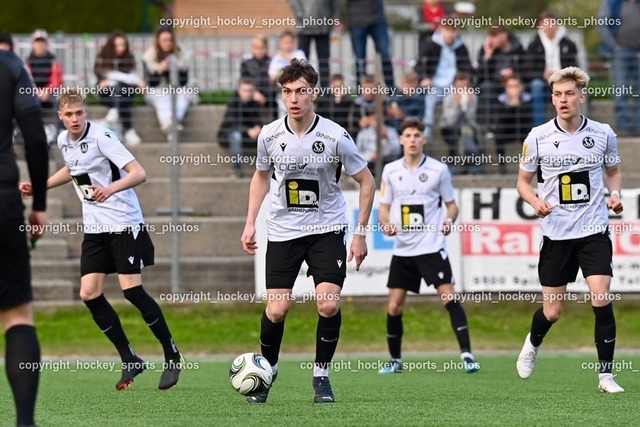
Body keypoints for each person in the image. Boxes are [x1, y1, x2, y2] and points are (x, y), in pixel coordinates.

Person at [20, 89, 185, 391]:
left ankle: (172, 354)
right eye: (68, 114)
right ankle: (130, 358)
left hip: (124, 223)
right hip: (95, 228)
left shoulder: (102, 137)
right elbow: (73, 169)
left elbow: (139, 173)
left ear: (86, 113)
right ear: (60, 116)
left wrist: (111, 189)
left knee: (132, 292)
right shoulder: (62, 140)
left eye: (79, 113)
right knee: (89, 293)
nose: (74, 119)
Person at [240, 59, 375, 403]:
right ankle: (266, 372)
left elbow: (367, 181)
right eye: (287, 92)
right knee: (277, 310)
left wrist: (359, 232)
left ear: (313, 93)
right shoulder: (269, 135)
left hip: (326, 229)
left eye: (301, 91)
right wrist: (250, 221)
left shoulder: (335, 136)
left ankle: (321, 376)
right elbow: (260, 176)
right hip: (283, 230)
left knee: (328, 304)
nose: (294, 98)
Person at [516, 66, 624, 393]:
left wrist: (615, 195)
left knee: (601, 298)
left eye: (569, 94)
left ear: (582, 96)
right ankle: (533, 344)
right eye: (558, 95)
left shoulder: (604, 133)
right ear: (552, 98)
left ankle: (606, 376)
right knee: (552, 311)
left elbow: (613, 172)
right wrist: (535, 201)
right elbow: (523, 183)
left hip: (593, 230)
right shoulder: (537, 137)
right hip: (556, 234)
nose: (563, 100)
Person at [377, 117, 479, 375]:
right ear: (401, 139)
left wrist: (448, 220)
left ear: (424, 139)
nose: (412, 140)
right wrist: (386, 224)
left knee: (449, 298)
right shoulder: (390, 170)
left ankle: (467, 355)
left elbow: (452, 205)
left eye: (416, 135)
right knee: (394, 306)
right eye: (407, 135)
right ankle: (395, 360)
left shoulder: (439, 170)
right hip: (403, 249)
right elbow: (384, 209)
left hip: (431, 246)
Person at [1, 44, 48, 427]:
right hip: (2, 202)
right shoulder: (12, 65)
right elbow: (35, 138)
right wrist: (40, 205)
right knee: (17, 316)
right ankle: (24, 424)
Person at [415, 21, 473, 138]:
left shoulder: (461, 47)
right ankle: (427, 128)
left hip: (453, 86)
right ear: (442, 30)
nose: (451, 34)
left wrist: (463, 83)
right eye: (448, 30)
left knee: (466, 100)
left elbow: (467, 68)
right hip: (434, 85)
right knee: (429, 100)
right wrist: (424, 78)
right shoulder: (431, 45)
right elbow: (420, 65)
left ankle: (460, 128)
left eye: (453, 31)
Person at [524, 10, 578, 126]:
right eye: (546, 23)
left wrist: (561, 74)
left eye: (552, 23)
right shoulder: (534, 44)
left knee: (572, 88)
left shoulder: (569, 44)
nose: (549, 26)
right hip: (543, 81)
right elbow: (527, 69)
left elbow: (574, 66)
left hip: (563, 80)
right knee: (536, 86)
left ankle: (569, 126)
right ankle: (539, 128)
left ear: (558, 24)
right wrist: (542, 74)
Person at [94, 30, 144, 146]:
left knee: (122, 88)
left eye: (123, 45)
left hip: (124, 94)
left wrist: (112, 81)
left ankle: (114, 112)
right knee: (121, 88)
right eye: (117, 45)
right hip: (107, 95)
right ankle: (129, 130)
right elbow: (108, 75)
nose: (120, 48)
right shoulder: (103, 58)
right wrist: (134, 80)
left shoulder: (128, 59)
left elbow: (124, 77)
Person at [142, 26, 195, 136]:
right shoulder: (149, 57)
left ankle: (170, 123)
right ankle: (171, 125)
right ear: (158, 41)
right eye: (164, 40)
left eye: (170, 40)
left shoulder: (182, 54)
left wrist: (175, 69)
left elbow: (183, 82)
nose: (168, 43)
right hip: (158, 91)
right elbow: (152, 84)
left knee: (184, 95)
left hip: (177, 90)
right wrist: (160, 69)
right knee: (161, 97)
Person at [598, 0, 640, 135]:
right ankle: (623, 127)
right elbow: (602, 24)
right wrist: (614, 46)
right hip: (620, 52)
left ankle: (638, 126)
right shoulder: (612, 3)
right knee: (620, 90)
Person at [476, 25, 525, 131]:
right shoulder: (486, 49)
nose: (491, 39)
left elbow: (524, 71)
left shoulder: (518, 49)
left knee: (516, 89)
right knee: (486, 87)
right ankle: (489, 129)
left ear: (504, 35)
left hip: (513, 84)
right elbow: (480, 76)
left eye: (494, 36)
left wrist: (512, 74)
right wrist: (488, 56)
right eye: (490, 36)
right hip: (495, 85)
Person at [24, 29, 64, 145]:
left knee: (59, 99)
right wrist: (35, 90)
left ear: (47, 44)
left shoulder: (53, 61)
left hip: (50, 94)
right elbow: (26, 79)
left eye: (42, 42)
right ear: (33, 44)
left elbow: (57, 80)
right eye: (37, 42)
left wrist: (47, 90)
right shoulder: (27, 62)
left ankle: (61, 130)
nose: (40, 45)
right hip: (33, 93)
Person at [217, 79, 263, 178]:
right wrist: (247, 130)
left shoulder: (254, 104)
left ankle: (267, 171)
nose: (247, 93)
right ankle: (237, 171)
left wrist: (258, 128)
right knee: (236, 136)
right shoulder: (233, 103)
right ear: (239, 90)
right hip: (229, 135)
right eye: (244, 90)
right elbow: (231, 123)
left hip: (248, 136)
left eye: (250, 90)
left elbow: (257, 121)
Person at [346, 0, 395, 88]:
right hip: (357, 20)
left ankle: (391, 89)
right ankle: (360, 92)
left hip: (377, 19)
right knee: (360, 58)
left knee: (385, 55)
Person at [439, 73, 480, 174]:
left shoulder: (473, 98)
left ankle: (470, 164)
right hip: (450, 127)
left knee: (470, 132)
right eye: (459, 87)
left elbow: (472, 118)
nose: (462, 89)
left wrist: (469, 104)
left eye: (465, 87)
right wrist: (457, 105)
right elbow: (450, 121)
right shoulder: (449, 98)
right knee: (456, 134)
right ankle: (456, 165)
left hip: (467, 126)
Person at [289, 0, 336, 87]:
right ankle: (301, 88)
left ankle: (325, 94)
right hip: (304, 26)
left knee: (324, 61)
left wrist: (332, 17)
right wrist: (302, 15)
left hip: (323, 25)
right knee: (301, 62)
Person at [494, 75, 532, 174]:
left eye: (516, 86)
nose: (513, 89)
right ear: (506, 88)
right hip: (507, 130)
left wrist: (518, 103)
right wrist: (511, 106)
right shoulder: (500, 99)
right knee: (498, 133)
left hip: (523, 129)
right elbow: (501, 120)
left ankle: (529, 166)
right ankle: (501, 167)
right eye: (510, 87)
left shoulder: (527, 99)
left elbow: (527, 119)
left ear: (521, 87)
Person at [269, 30, 307, 118]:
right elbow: (272, 76)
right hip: (282, 90)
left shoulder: (299, 53)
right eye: (285, 42)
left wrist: (285, 55)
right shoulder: (277, 57)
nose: (288, 45)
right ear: (280, 43)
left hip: (298, 89)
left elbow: (304, 66)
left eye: (290, 42)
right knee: (283, 112)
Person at [241, 35, 276, 121]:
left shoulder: (272, 62)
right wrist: (254, 93)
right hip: (253, 95)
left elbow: (273, 82)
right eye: (256, 48)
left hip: (270, 96)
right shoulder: (246, 64)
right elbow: (244, 81)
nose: (259, 51)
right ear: (252, 48)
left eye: (262, 48)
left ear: (266, 48)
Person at [356, 109, 401, 174]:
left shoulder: (391, 131)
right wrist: (370, 156)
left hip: (388, 162)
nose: (376, 120)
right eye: (373, 118)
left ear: (383, 118)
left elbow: (397, 151)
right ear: (368, 119)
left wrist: (387, 139)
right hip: (369, 165)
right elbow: (358, 153)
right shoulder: (363, 134)